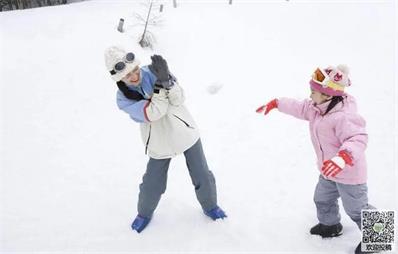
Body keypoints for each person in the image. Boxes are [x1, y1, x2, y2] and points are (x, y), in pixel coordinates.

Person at [104, 46, 226, 233]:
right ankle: (144, 213)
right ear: (118, 78)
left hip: (184, 131)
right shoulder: (123, 99)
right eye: (128, 75)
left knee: (202, 174)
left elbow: (178, 99)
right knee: (153, 183)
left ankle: (211, 206)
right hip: (159, 141)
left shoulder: (152, 71)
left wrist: (167, 80)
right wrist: (162, 88)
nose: (135, 76)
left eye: (135, 70)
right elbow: (154, 113)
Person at [256, 65, 375, 254]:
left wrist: (343, 158)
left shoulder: (344, 116)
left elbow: (358, 138)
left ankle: (379, 239)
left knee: (357, 209)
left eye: (314, 92)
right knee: (322, 199)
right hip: (328, 171)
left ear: (328, 95)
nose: (310, 95)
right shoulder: (316, 107)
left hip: (350, 173)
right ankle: (330, 226)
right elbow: (300, 107)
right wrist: (277, 103)